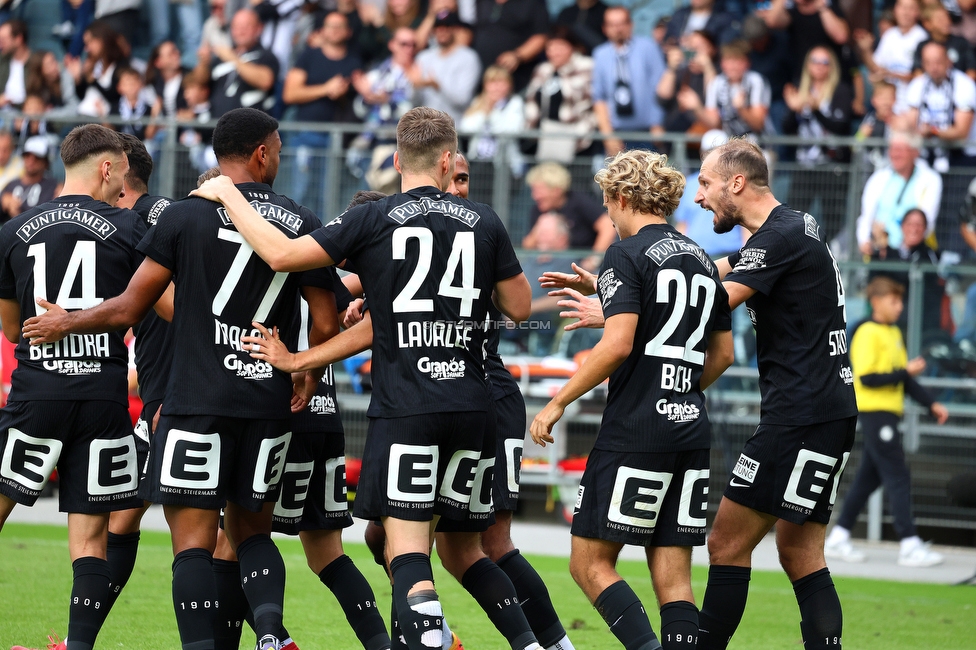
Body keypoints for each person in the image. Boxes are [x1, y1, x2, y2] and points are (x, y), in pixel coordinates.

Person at [189, 106, 543, 650]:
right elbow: (520, 307)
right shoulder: (486, 221)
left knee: (405, 552)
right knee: (465, 549)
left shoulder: (375, 219)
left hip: (407, 408)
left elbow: (282, 254)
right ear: (449, 162)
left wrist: (227, 193)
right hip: (474, 409)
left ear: (398, 158)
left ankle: (425, 641)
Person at [22, 108, 325, 650]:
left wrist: (67, 320)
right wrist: (305, 368)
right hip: (268, 400)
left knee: (191, 544)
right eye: (277, 146)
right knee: (252, 534)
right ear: (262, 152)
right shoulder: (300, 219)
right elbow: (324, 323)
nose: (278, 155)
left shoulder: (183, 216)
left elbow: (128, 306)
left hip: (195, 399)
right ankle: (272, 635)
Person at [359, 153, 577, 650]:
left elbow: (520, 309)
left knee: (471, 543)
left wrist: (306, 356)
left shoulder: (474, 232)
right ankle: (435, 635)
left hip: (482, 395)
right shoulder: (433, 232)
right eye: (451, 177)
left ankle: (524, 642)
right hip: (459, 396)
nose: (457, 188)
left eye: (465, 179)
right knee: (404, 540)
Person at [530, 149, 734, 650]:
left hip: (636, 429)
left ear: (622, 198)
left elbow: (618, 343)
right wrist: (676, 391)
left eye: (607, 205)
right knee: (675, 577)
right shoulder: (702, 260)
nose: (608, 215)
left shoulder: (624, 253)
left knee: (590, 562)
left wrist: (558, 402)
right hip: (689, 427)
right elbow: (723, 355)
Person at [692, 139, 858, 650]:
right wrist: (623, 282)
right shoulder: (792, 228)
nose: (698, 198)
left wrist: (626, 310)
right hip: (830, 409)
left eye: (705, 183)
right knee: (801, 552)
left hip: (799, 415)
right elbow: (722, 267)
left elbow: (719, 296)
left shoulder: (780, 235)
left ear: (735, 183)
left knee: (725, 543)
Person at [0, 124, 146, 650]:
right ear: (106, 167)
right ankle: (79, 647)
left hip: (37, 396)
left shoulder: (13, 231)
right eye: (122, 174)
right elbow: (148, 307)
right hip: (102, 401)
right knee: (90, 542)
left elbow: (14, 329)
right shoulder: (129, 229)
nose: (123, 186)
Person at [824, 276, 948, 567]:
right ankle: (909, 543)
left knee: (868, 479)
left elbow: (903, 378)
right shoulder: (867, 331)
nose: (900, 306)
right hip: (875, 413)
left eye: (900, 301)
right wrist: (905, 371)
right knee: (898, 474)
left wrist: (932, 404)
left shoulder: (893, 332)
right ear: (876, 301)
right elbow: (868, 377)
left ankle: (839, 535)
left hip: (888, 413)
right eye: (894, 300)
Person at [282, 10, 363, 212]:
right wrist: (326, 89)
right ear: (322, 30)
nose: (335, 31)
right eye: (331, 26)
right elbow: (290, 93)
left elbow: (356, 104)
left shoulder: (354, 62)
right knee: (300, 191)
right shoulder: (309, 55)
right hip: (305, 134)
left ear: (348, 32)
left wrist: (343, 93)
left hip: (337, 138)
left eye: (339, 26)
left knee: (328, 195)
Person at [782, 46, 854, 241]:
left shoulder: (841, 90)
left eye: (825, 62)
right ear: (808, 65)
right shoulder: (801, 88)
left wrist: (815, 109)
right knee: (795, 217)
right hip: (804, 164)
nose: (820, 66)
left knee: (832, 219)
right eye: (815, 61)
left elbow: (840, 126)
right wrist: (793, 110)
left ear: (832, 67)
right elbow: (787, 129)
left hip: (832, 166)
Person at [592, 6, 666, 156]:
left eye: (622, 23)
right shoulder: (600, 54)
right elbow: (599, 97)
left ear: (631, 24)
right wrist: (608, 135)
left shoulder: (648, 47)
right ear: (605, 28)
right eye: (612, 24)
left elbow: (659, 87)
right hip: (616, 133)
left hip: (647, 132)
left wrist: (657, 123)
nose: (618, 29)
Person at [856, 130, 942, 255]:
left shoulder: (930, 180)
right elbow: (866, 217)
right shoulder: (879, 178)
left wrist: (904, 247)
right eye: (892, 149)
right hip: (881, 252)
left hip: (913, 253)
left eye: (900, 150)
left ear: (915, 152)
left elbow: (927, 221)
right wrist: (864, 241)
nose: (895, 154)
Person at [523, 26, 597, 163]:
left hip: (577, 139)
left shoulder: (586, 66)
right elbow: (531, 101)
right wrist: (532, 130)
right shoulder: (543, 69)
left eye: (560, 46)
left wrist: (564, 73)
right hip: (544, 138)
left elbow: (587, 102)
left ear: (572, 47)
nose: (554, 52)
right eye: (550, 47)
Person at [902, 40, 976, 169]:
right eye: (928, 62)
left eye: (938, 62)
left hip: (961, 158)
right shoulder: (917, 85)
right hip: (925, 158)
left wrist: (932, 131)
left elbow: (962, 132)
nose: (933, 67)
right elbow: (910, 124)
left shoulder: (964, 85)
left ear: (948, 61)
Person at [195, 8, 279, 117]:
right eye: (236, 27)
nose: (241, 31)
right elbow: (199, 84)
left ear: (259, 28)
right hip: (218, 127)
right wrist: (203, 63)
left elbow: (265, 81)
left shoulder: (266, 56)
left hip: (251, 127)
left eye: (246, 26)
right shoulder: (222, 56)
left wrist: (233, 59)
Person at [521, 161, 615, 256]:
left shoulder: (579, 202)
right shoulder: (539, 209)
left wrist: (593, 259)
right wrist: (540, 226)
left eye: (538, 191)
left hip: (581, 262)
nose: (534, 196)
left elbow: (607, 227)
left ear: (556, 190)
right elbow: (528, 246)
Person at [411, 11, 481, 125]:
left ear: (455, 29)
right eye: (438, 28)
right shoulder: (423, 57)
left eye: (447, 27)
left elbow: (463, 100)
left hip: (453, 126)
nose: (442, 31)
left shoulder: (468, 57)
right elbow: (414, 102)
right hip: (424, 127)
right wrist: (415, 87)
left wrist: (437, 86)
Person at [854, 0, 926, 111]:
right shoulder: (890, 35)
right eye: (902, 7)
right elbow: (876, 68)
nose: (905, 12)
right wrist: (866, 50)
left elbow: (921, 76)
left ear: (918, 12)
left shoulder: (922, 38)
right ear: (895, 10)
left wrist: (892, 74)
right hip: (889, 104)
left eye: (910, 8)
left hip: (912, 105)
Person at [472, 0, 549, 93]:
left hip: (516, 79)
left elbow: (541, 36)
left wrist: (517, 55)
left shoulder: (532, 3)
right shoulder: (482, 2)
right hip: (480, 76)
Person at [702, 40, 771, 137]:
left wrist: (741, 109)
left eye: (737, 61)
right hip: (727, 139)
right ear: (722, 63)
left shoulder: (756, 81)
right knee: (711, 137)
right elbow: (713, 123)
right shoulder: (716, 83)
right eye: (729, 60)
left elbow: (758, 124)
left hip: (756, 139)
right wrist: (696, 107)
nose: (733, 66)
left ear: (747, 63)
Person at [0, 135, 61, 223]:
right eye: (27, 155)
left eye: (37, 157)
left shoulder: (53, 187)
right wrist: (2, 200)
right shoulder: (12, 184)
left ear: (46, 162)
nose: (31, 161)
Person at [0, 19, 31, 109]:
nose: (0, 45)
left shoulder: (35, 63)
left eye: (4, 40)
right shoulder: (2, 61)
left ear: (18, 39)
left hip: (26, 115)